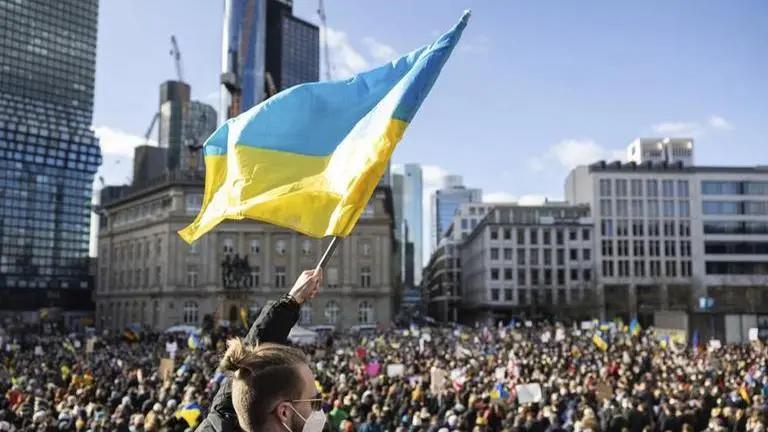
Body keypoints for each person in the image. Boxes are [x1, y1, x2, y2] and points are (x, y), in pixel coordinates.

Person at [196, 268, 323, 432]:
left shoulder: (222, 422)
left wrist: (292, 301)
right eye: (315, 402)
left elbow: (247, 370)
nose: (319, 411)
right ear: (284, 412)